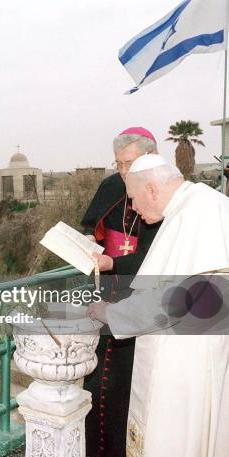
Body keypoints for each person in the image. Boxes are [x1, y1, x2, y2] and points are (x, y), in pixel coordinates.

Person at [88, 154, 229, 457]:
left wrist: (109, 313)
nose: (135, 210)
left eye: (134, 200)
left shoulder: (192, 216)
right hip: (200, 349)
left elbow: (173, 301)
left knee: (175, 439)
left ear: (152, 189)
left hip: (186, 363)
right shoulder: (203, 203)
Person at [81, 127, 161, 457]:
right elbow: (95, 230)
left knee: (132, 392)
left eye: (129, 163)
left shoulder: (161, 191)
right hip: (108, 293)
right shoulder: (112, 186)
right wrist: (88, 245)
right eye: (119, 164)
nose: (124, 172)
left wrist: (112, 262)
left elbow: (158, 257)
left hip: (143, 299)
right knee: (98, 386)